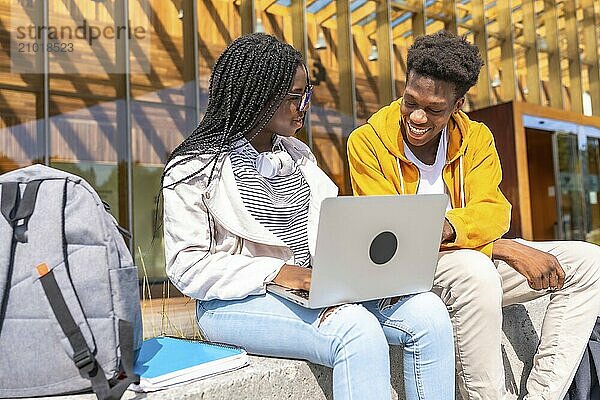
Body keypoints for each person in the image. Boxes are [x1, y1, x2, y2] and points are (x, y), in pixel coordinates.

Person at [161, 33, 455, 399]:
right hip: (233, 302)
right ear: (257, 97)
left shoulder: (299, 158)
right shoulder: (194, 168)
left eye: (306, 95)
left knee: (428, 313)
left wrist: (359, 269)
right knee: (356, 331)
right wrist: (279, 273)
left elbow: (327, 231)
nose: (304, 106)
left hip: (315, 289)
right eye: (293, 98)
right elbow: (187, 265)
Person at [347, 30, 600, 400]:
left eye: (434, 109)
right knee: (474, 270)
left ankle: (544, 395)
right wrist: (504, 250)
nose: (418, 116)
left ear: (458, 104)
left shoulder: (476, 138)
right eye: (410, 101)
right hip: (405, 275)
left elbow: (495, 212)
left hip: (464, 261)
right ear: (404, 86)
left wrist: (451, 230)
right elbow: (394, 237)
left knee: (589, 261)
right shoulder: (366, 142)